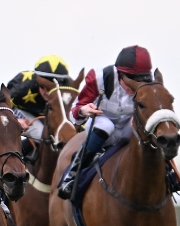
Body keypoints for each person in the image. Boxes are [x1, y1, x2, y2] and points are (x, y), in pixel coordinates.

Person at [55, 45, 161, 199]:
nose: (134, 87)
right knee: (107, 126)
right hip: (101, 121)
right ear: (120, 74)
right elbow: (74, 112)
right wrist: (83, 111)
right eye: (131, 81)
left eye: (140, 81)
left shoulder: (151, 84)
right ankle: (72, 175)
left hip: (128, 126)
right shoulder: (98, 78)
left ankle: (171, 176)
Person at [5, 55, 73, 161]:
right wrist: (15, 120)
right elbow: (0, 106)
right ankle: (12, 158)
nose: (46, 92)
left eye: (51, 88)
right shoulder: (22, 85)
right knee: (41, 133)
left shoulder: (69, 90)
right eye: (42, 87)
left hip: (47, 114)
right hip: (22, 112)